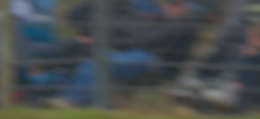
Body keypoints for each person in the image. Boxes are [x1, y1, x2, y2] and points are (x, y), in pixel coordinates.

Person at [54, 0, 207, 106]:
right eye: (166, 3)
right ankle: (61, 98)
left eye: (174, 3)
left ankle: (71, 101)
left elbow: (147, 41)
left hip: (155, 63)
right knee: (89, 62)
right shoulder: (162, 19)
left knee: (100, 64)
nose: (166, 7)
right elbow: (75, 15)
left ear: (185, 6)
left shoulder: (186, 22)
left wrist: (105, 42)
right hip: (140, 55)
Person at [173, 3, 260, 111]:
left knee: (246, 59)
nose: (251, 38)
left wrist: (256, 53)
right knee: (226, 49)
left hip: (248, 94)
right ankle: (197, 84)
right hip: (233, 78)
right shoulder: (245, 45)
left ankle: (219, 91)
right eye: (251, 36)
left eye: (255, 37)